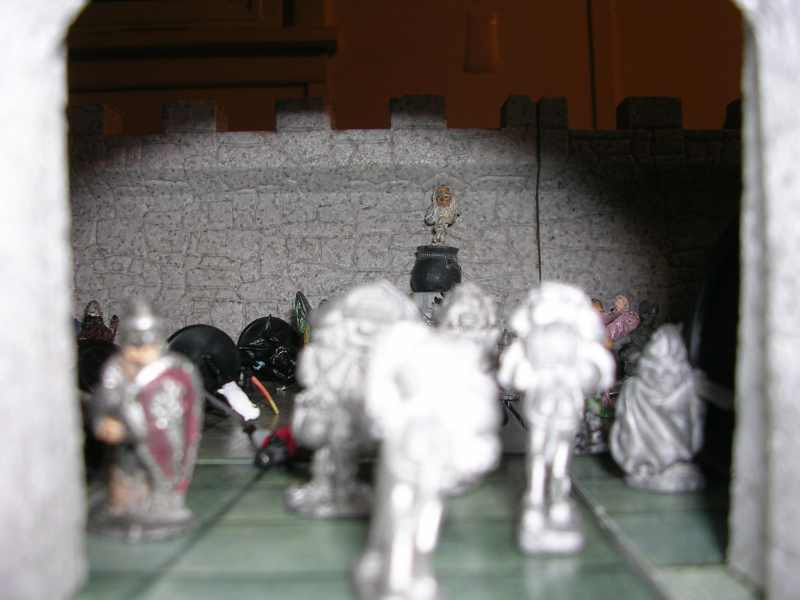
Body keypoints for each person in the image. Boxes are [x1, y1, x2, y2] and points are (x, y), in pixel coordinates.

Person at [90, 299, 204, 541]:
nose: (141, 347)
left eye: (148, 339)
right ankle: (124, 509)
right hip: (126, 441)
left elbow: (183, 411)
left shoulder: (174, 369)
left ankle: (164, 506)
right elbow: (104, 397)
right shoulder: (116, 368)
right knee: (124, 475)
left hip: (162, 439)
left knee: (163, 476)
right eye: (134, 339)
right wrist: (103, 421)